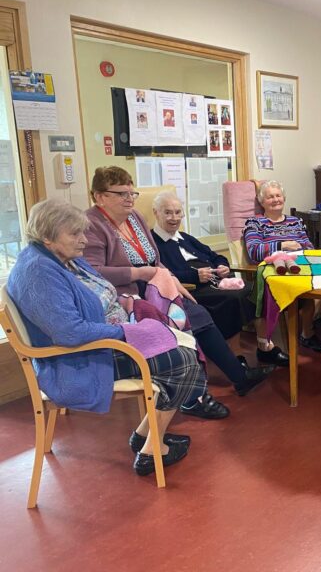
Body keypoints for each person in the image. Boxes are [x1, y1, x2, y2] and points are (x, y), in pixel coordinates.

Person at [8, 200, 206, 475]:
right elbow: (70, 332)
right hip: (78, 361)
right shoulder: (38, 272)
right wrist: (127, 331)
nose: (83, 240)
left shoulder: (61, 259)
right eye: (75, 234)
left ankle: (144, 434)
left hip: (99, 344)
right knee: (183, 361)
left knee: (183, 340)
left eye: (82, 232)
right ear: (47, 236)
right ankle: (150, 451)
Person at [83, 166, 272, 420]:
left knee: (198, 314)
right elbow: (94, 272)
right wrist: (139, 274)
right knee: (183, 327)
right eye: (121, 194)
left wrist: (172, 280)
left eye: (132, 193)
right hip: (124, 297)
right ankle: (193, 397)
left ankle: (237, 379)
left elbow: (154, 258)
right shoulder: (91, 225)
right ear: (99, 196)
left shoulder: (135, 217)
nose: (129, 199)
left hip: (155, 285)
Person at [151, 191, 259, 341]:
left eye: (177, 212)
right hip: (193, 289)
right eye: (168, 213)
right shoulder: (152, 243)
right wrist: (195, 276)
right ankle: (233, 354)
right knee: (234, 298)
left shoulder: (185, 238)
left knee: (257, 290)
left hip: (217, 281)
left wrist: (222, 265)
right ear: (156, 213)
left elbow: (216, 256)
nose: (174, 218)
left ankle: (264, 345)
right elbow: (160, 273)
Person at [243, 180, 321, 358]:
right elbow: (254, 251)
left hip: (298, 266)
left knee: (314, 282)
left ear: (284, 198)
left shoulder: (296, 221)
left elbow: (309, 247)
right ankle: (265, 345)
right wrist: (282, 245)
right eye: (270, 197)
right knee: (266, 289)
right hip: (272, 270)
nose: (275, 200)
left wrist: (297, 248)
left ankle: (307, 334)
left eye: (278, 195)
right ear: (262, 201)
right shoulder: (253, 223)